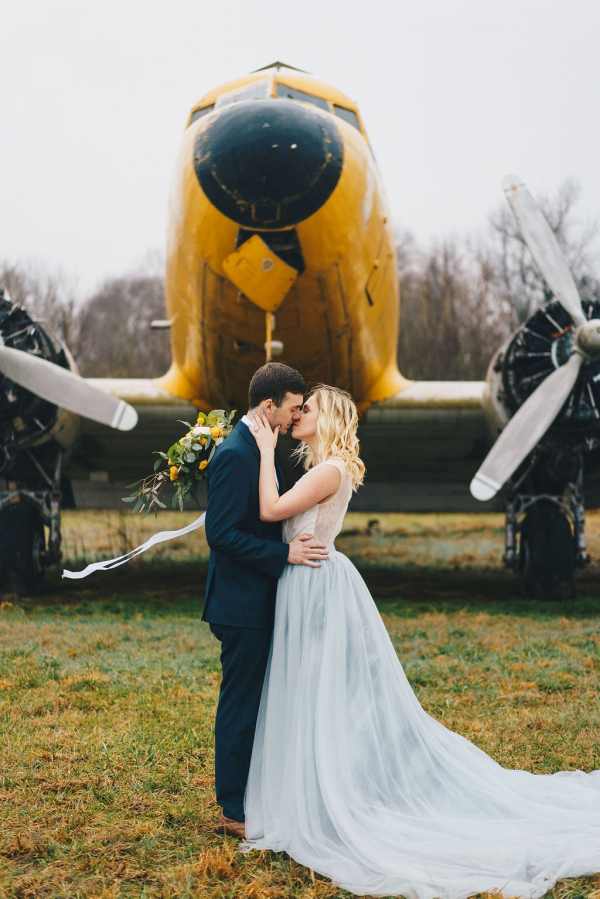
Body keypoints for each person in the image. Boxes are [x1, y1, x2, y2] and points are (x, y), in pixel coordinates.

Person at [242, 383, 600, 899]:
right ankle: (317, 788)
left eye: (309, 408)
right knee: (312, 689)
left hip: (315, 583)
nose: (299, 413)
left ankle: (332, 795)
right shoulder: (324, 467)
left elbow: (272, 511)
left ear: (330, 417)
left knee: (317, 689)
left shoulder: (328, 470)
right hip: (306, 581)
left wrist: (263, 449)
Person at [203, 363, 329, 840]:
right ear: (268, 405)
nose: (296, 416)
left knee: (256, 703)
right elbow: (222, 534)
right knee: (240, 706)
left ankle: (252, 795)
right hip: (240, 603)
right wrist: (284, 553)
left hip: (255, 597)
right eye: (293, 407)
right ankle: (234, 810)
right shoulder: (236, 454)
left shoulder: (257, 446)